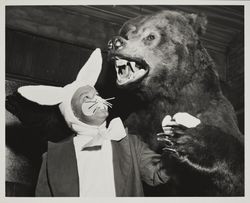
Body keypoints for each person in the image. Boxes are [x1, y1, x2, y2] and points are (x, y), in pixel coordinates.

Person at [17, 48, 170, 197]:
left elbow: (160, 173)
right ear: (74, 114)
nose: (97, 99)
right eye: (86, 98)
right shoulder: (52, 158)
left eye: (96, 94)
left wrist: (178, 143)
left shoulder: (130, 143)